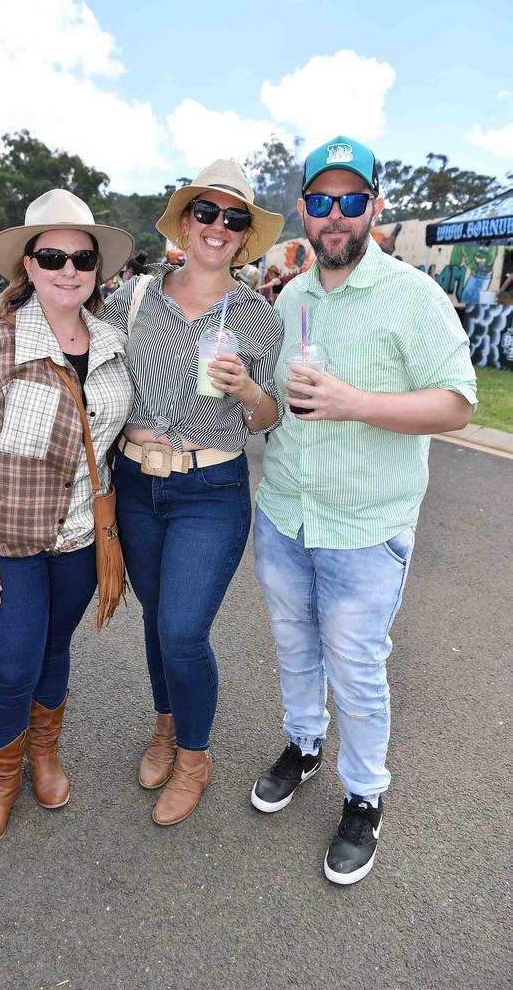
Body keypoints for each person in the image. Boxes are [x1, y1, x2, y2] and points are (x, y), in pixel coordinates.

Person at [251, 136, 477, 884]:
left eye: (352, 201)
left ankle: (364, 795)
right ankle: (305, 743)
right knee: (293, 646)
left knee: (356, 667)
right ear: (304, 213)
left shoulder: (412, 296)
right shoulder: (291, 297)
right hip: (286, 514)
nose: (336, 215)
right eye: (322, 202)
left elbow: (457, 403)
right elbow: (279, 406)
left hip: (365, 528)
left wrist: (357, 403)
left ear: (375, 208)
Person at [0, 190, 134, 850]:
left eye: (82, 256)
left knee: (52, 650)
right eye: (53, 255)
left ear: (99, 267)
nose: (68, 268)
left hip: (77, 540)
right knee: (11, 667)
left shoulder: (112, 344)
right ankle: (0, 781)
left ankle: (43, 754)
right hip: (2, 543)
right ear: (29, 263)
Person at [102, 160, 285, 826]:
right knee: (156, 619)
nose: (218, 227)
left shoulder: (259, 319)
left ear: (245, 238)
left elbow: (269, 418)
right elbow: (89, 364)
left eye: (234, 219)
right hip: (133, 481)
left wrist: (247, 391)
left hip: (211, 487)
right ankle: (166, 723)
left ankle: (195, 757)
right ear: (184, 222)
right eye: (206, 213)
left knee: (182, 628)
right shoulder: (134, 299)